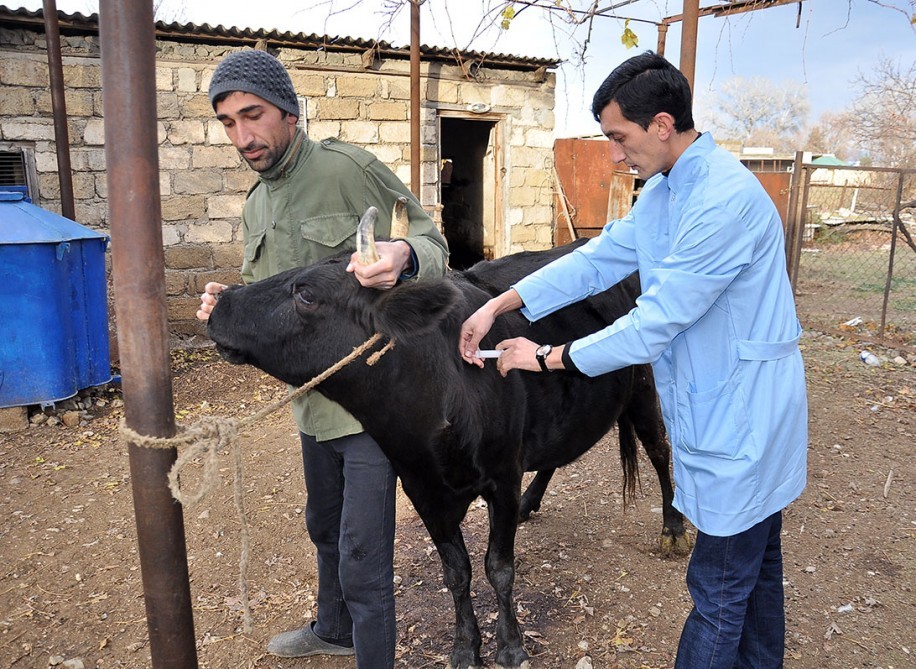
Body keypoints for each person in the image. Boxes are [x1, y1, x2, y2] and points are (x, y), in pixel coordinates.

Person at [458, 51, 807, 668]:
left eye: (619, 138)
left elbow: (654, 325)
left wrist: (545, 356)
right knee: (758, 571)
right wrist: (501, 301)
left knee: (720, 591)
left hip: (743, 423)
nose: (615, 155)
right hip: (726, 415)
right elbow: (599, 258)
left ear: (664, 125)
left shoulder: (723, 200)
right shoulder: (668, 194)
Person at [196, 48, 449, 667]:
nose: (242, 135)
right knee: (323, 527)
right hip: (312, 404)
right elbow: (271, 306)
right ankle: (332, 630)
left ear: (288, 110)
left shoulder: (347, 169)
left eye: (252, 115)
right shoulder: (257, 202)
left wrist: (403, 256)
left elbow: (433, 241)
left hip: (366, 406)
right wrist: (227, 311)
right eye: (228, 123)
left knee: (365, 558)